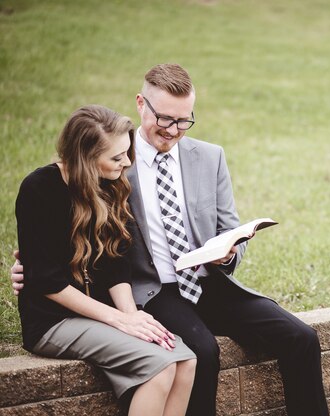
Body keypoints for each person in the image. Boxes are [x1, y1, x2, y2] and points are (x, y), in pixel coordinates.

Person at [13, 64, 329, 416]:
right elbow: (76, 226)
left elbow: (230, 229)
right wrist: (32, 265)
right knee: (203, 352)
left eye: (183, 121)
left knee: (301, 338)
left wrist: (226, 254)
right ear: (140, 104)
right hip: (152, 290)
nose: (173, 130)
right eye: (164, 118)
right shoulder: (114, 163)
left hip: (208, 280)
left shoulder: (210, 157)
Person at [14, 105, 197, 415]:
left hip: (104, 313)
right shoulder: (40, 189)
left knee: (185, 360)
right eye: (116, 157)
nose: (126, 163)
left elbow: (116, 264)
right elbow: (47, 281)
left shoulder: (111, 185)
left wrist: (132, 315)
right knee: (160, 365)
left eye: (127, 153)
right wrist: (119, 320)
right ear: (85, 157)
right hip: (53, 321)